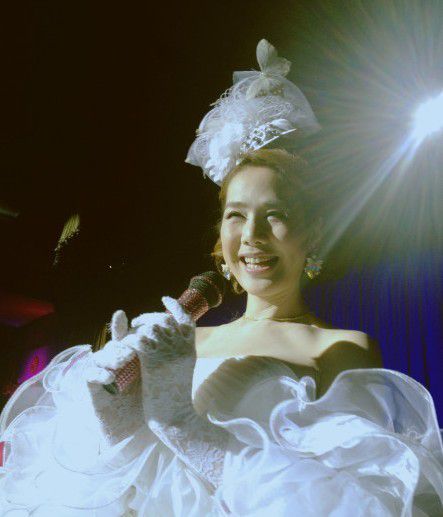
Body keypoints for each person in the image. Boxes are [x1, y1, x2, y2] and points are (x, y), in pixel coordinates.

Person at [1, 39, 442, 517]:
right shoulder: (181, 342)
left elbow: (338, 501)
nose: (251, 235)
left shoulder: (340, 348)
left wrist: (181, 423)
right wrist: (116, 419)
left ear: (312, 233)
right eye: (236, 215)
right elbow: (137, 484)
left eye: (275, 214)